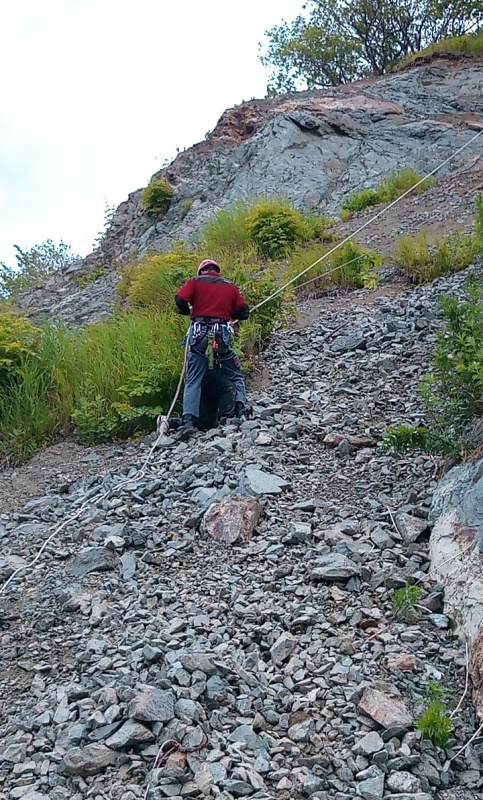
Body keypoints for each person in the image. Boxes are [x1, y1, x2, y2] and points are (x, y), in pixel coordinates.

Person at [175, 259, 249, 434]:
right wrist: (228, 313)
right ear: (217, 270)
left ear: (202, 271)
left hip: (199, 335)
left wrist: (187, 311)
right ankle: (239, 410)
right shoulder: (229, 286)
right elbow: (244, 312)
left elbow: (180, 299)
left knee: (193, 379)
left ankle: (188, 421)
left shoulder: (195, 281)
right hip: (222, 335)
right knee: (235, 374)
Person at [168, 364, 236, 434]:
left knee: (207, 422)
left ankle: (226, 420)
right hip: (204, 384)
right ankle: (177, 422)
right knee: (202, 422)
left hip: (211, 385)